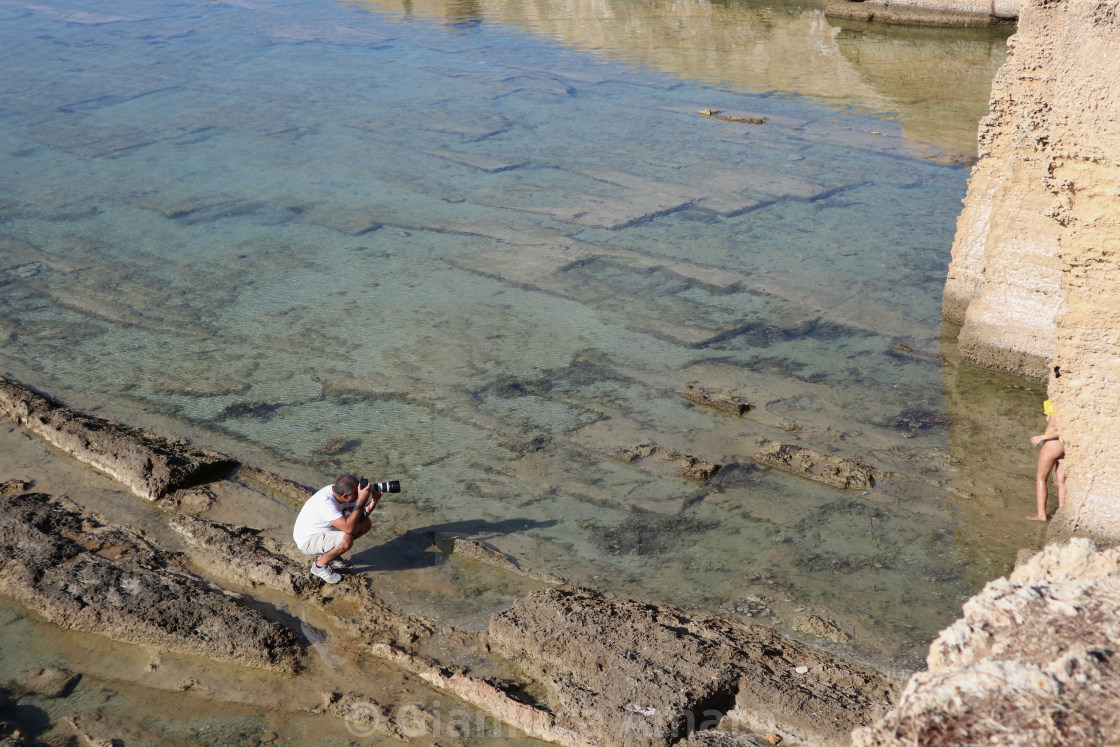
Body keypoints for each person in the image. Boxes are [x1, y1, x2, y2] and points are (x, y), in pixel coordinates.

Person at [293, 474, 381, 583]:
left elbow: (360, 515)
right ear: (345, 496)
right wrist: (361, 501)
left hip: (325, 532)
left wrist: (373, 501)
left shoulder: (339, 491)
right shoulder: (326, 502)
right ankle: (319, 566)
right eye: (356, 494)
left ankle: (332, 554)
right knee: (346, 540)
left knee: (365, 523)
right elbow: (349, 529)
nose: (358, 496)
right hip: (307, 541)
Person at [1026, 366, 1066, 522]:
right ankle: (1062, 512)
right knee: (1061, 480)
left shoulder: (1057, 406)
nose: (1048, 389)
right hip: (1064, 446)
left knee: (1041, 479)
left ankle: (1041, 515)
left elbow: (1063, 430)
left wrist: (1042, 437)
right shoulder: (1061, 403)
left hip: (1052, 445)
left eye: (1051, 386)